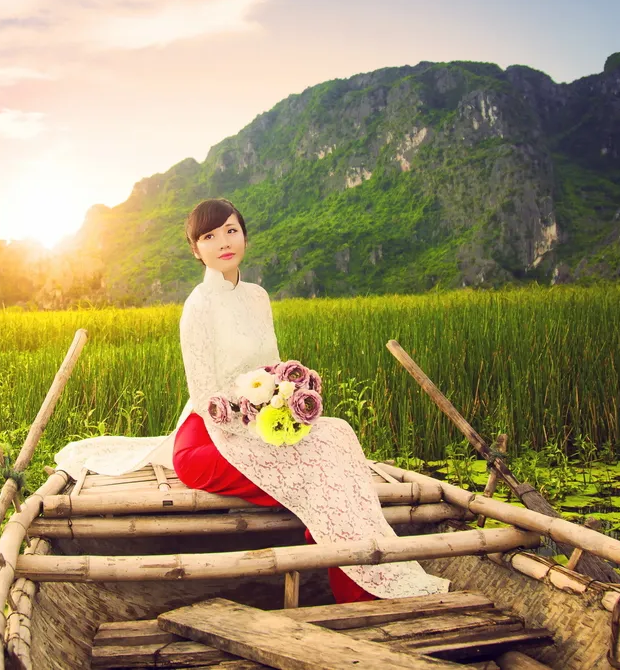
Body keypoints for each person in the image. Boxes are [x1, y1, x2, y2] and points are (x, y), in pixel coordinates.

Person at [55, 198, 448, 601]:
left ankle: (355, 551)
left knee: (337, 435)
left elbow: (272, 366)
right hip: (211, 434)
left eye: (230, 230)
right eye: (209, 236)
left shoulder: (258, 296)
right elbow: (205, 394)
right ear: (196, 250)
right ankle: (354, 582)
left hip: (262, 418)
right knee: (314, 474)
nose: (223, 242)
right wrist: (258, 426)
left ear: (243, 235)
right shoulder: (198, 306)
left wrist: (287, 399)